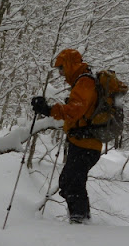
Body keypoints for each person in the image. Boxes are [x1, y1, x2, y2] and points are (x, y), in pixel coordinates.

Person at [31, 48, 101, 223]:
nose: (61, 73)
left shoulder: (85, 82)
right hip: (83, 142)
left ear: (70, 65)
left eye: (61, 68)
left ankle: (79, 222)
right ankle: (81, 218)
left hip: (86, 143)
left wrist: (49, 110)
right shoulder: (81, 81)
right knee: (68, 181)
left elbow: (75, 110)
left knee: (72, 183)